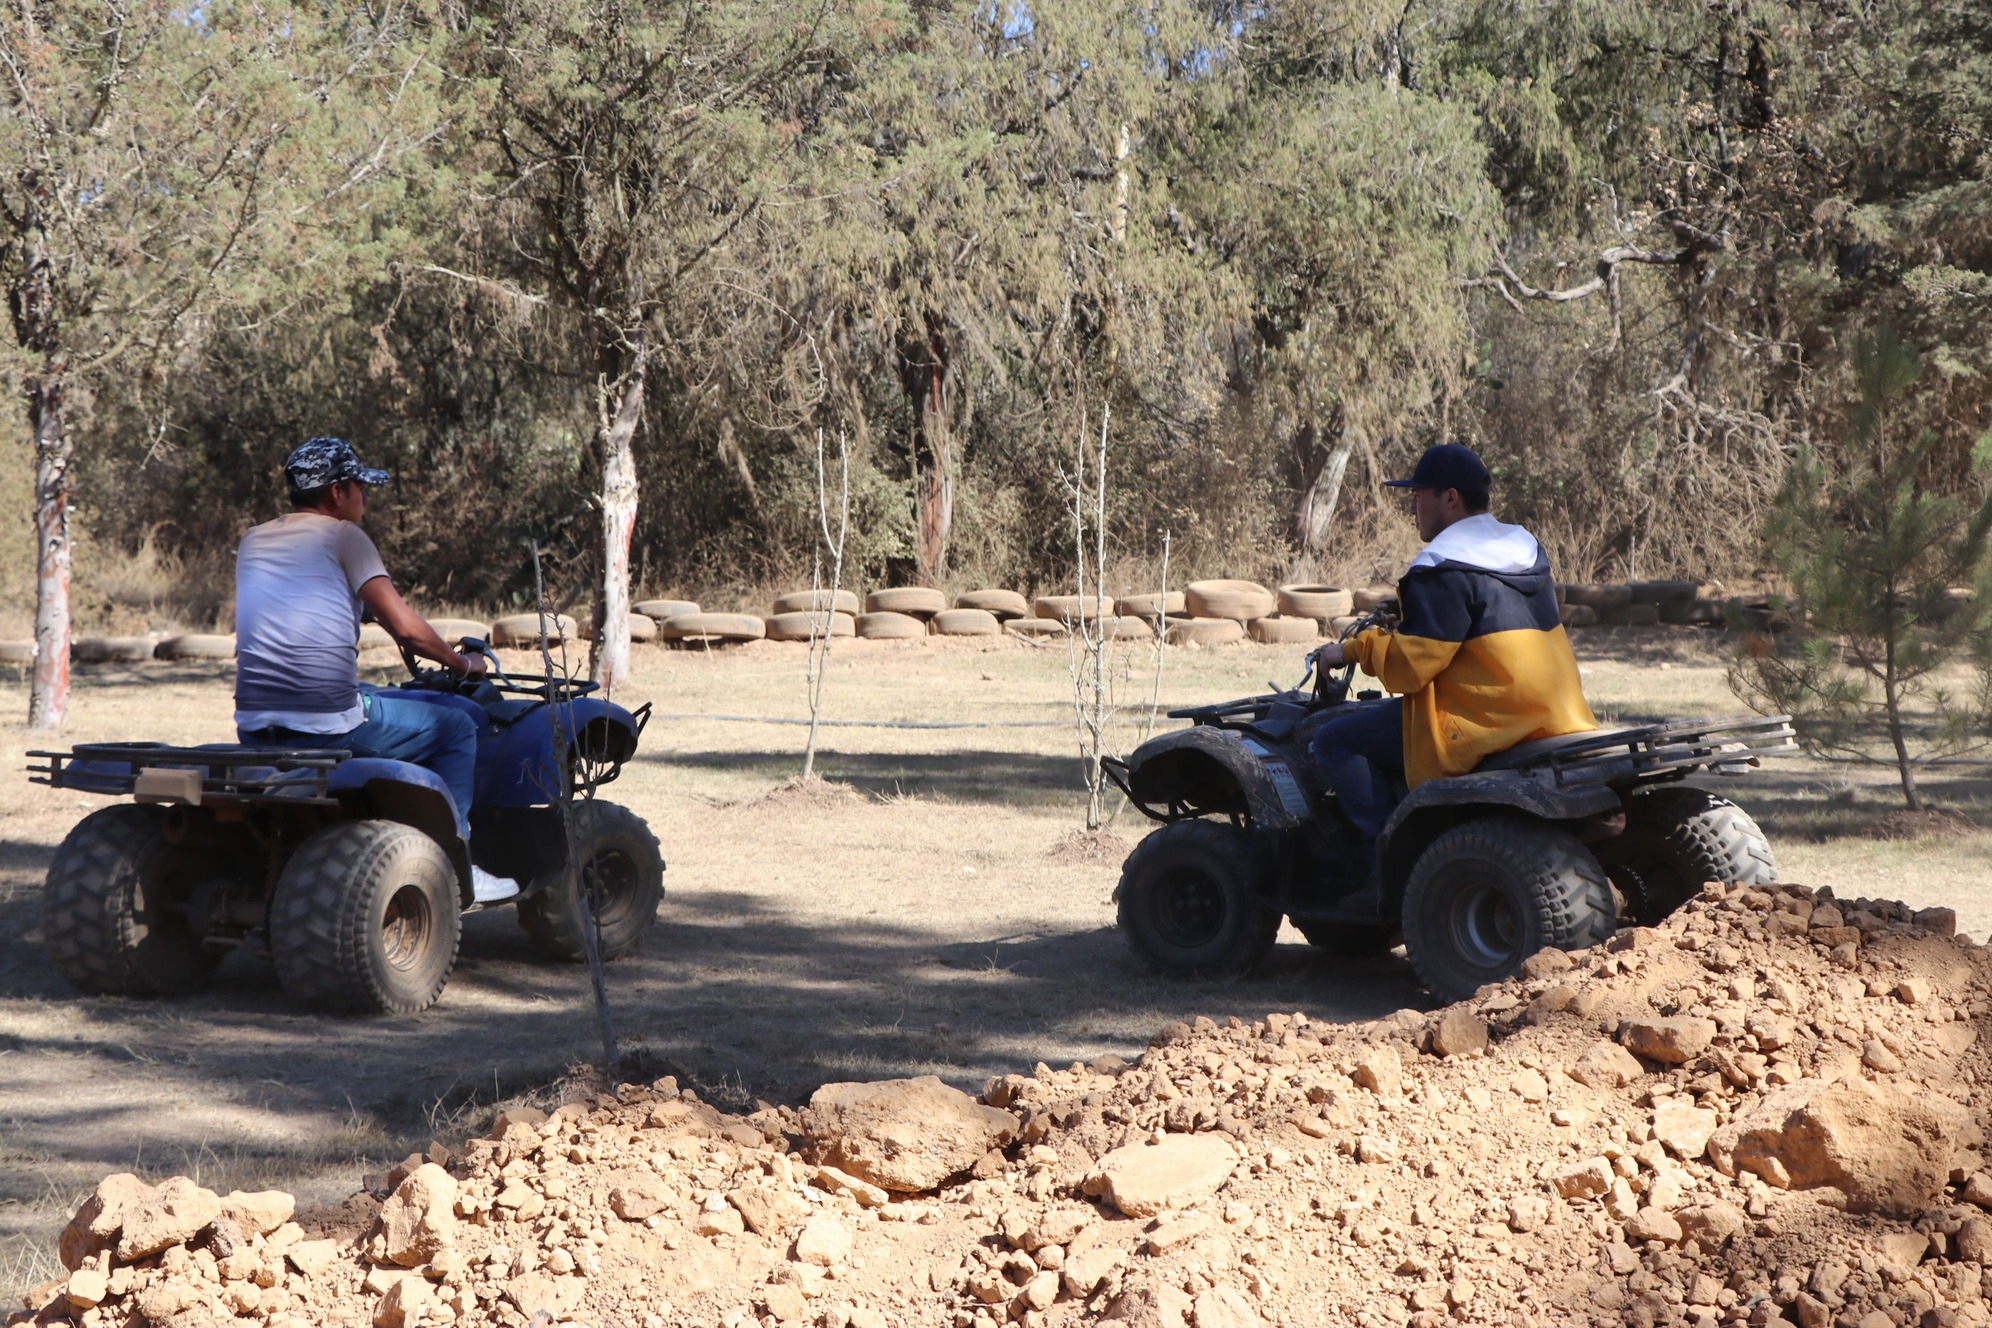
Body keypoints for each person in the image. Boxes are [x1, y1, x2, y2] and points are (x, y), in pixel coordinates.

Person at [233, 437, 513, 895]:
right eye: (361, 487)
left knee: (373, 694)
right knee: (461, 726)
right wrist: (463, 664)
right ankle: (456, 864)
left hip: (254, 722)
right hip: (325, 726)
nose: (366, 498)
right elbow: (406, 629)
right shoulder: (346, 535)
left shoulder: (254, 539)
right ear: (337, 492)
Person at [1308, 442, 1597, 852]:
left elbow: (1411, 669)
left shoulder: (1441, 566)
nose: (1412, 510)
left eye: (1418, 496)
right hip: (1554, 713)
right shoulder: (1526, 550)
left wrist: (1353, 649)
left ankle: (1388, 854)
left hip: (1484, 724)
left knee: (1333, 741)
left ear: (1450, 498)